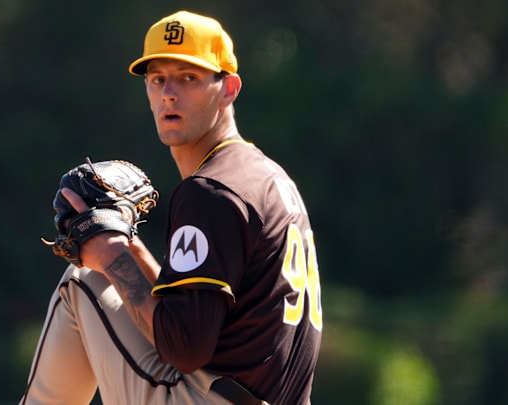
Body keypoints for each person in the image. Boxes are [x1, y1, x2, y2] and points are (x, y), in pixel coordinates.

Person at [20, 10, 323, 405]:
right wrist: (128, 245)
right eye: (157, 79)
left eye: (189, 78)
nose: (169, 94)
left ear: (229, 89)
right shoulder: (263, 176)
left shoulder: (210, 190)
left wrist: (110, 255)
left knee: (83, 280)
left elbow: (184, 348)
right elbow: (192, 317)